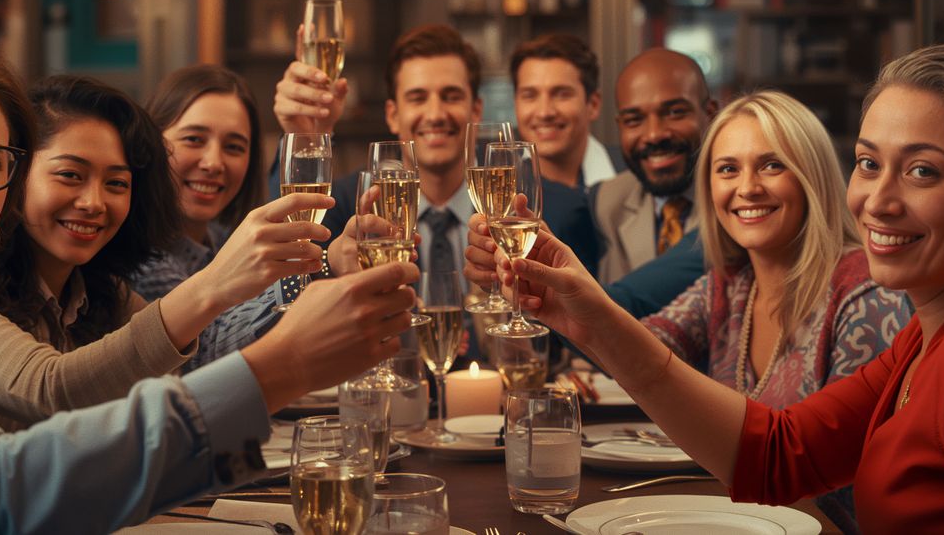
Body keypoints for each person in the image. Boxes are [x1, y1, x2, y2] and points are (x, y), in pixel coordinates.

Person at [0, 26, 417, 533]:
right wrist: (260, 332)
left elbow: (188, 362)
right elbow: (42, 399)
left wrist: (322, 270)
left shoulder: (71, 289)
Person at [491, 45, 944, 533]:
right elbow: (776, 456)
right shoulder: (922, 337)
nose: (879, 200)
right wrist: (591, 319)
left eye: (922, 171)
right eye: (869, 163)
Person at [0, 74, 336, 430]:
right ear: (13, 176)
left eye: (116, 182)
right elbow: (50, 389)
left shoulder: (104, 293)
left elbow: (177, 398)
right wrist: (215, 285)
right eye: (71, 175)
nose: (94, 202)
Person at [274, 24, 597, 357]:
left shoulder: (545, 209)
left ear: (476, 111)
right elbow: (283, 289)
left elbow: (582, 343)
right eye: (417, 98)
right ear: (393, 115)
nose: (436, 114)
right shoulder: (344, 205)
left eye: (451, 96)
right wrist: (302, 138)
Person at [133, 64, 359, 373]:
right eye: (194, 140)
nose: (214, 162)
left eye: (234, 147)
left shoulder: (220, 239)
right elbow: (203, 350)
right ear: (151, 144)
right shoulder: (138, 258)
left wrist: (308, 133)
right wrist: (325, 264)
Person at [592, 48, 718, 284]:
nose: (654, 134)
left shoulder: (739, 201)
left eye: (674, 112)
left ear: (710, 114)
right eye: (634, 120)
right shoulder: (606, 201)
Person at [509, 33, 615, 189]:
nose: (544, 112)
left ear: (593, 104)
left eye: (562, 94)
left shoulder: (636, 179)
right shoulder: (494, 190)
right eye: (529, 96)